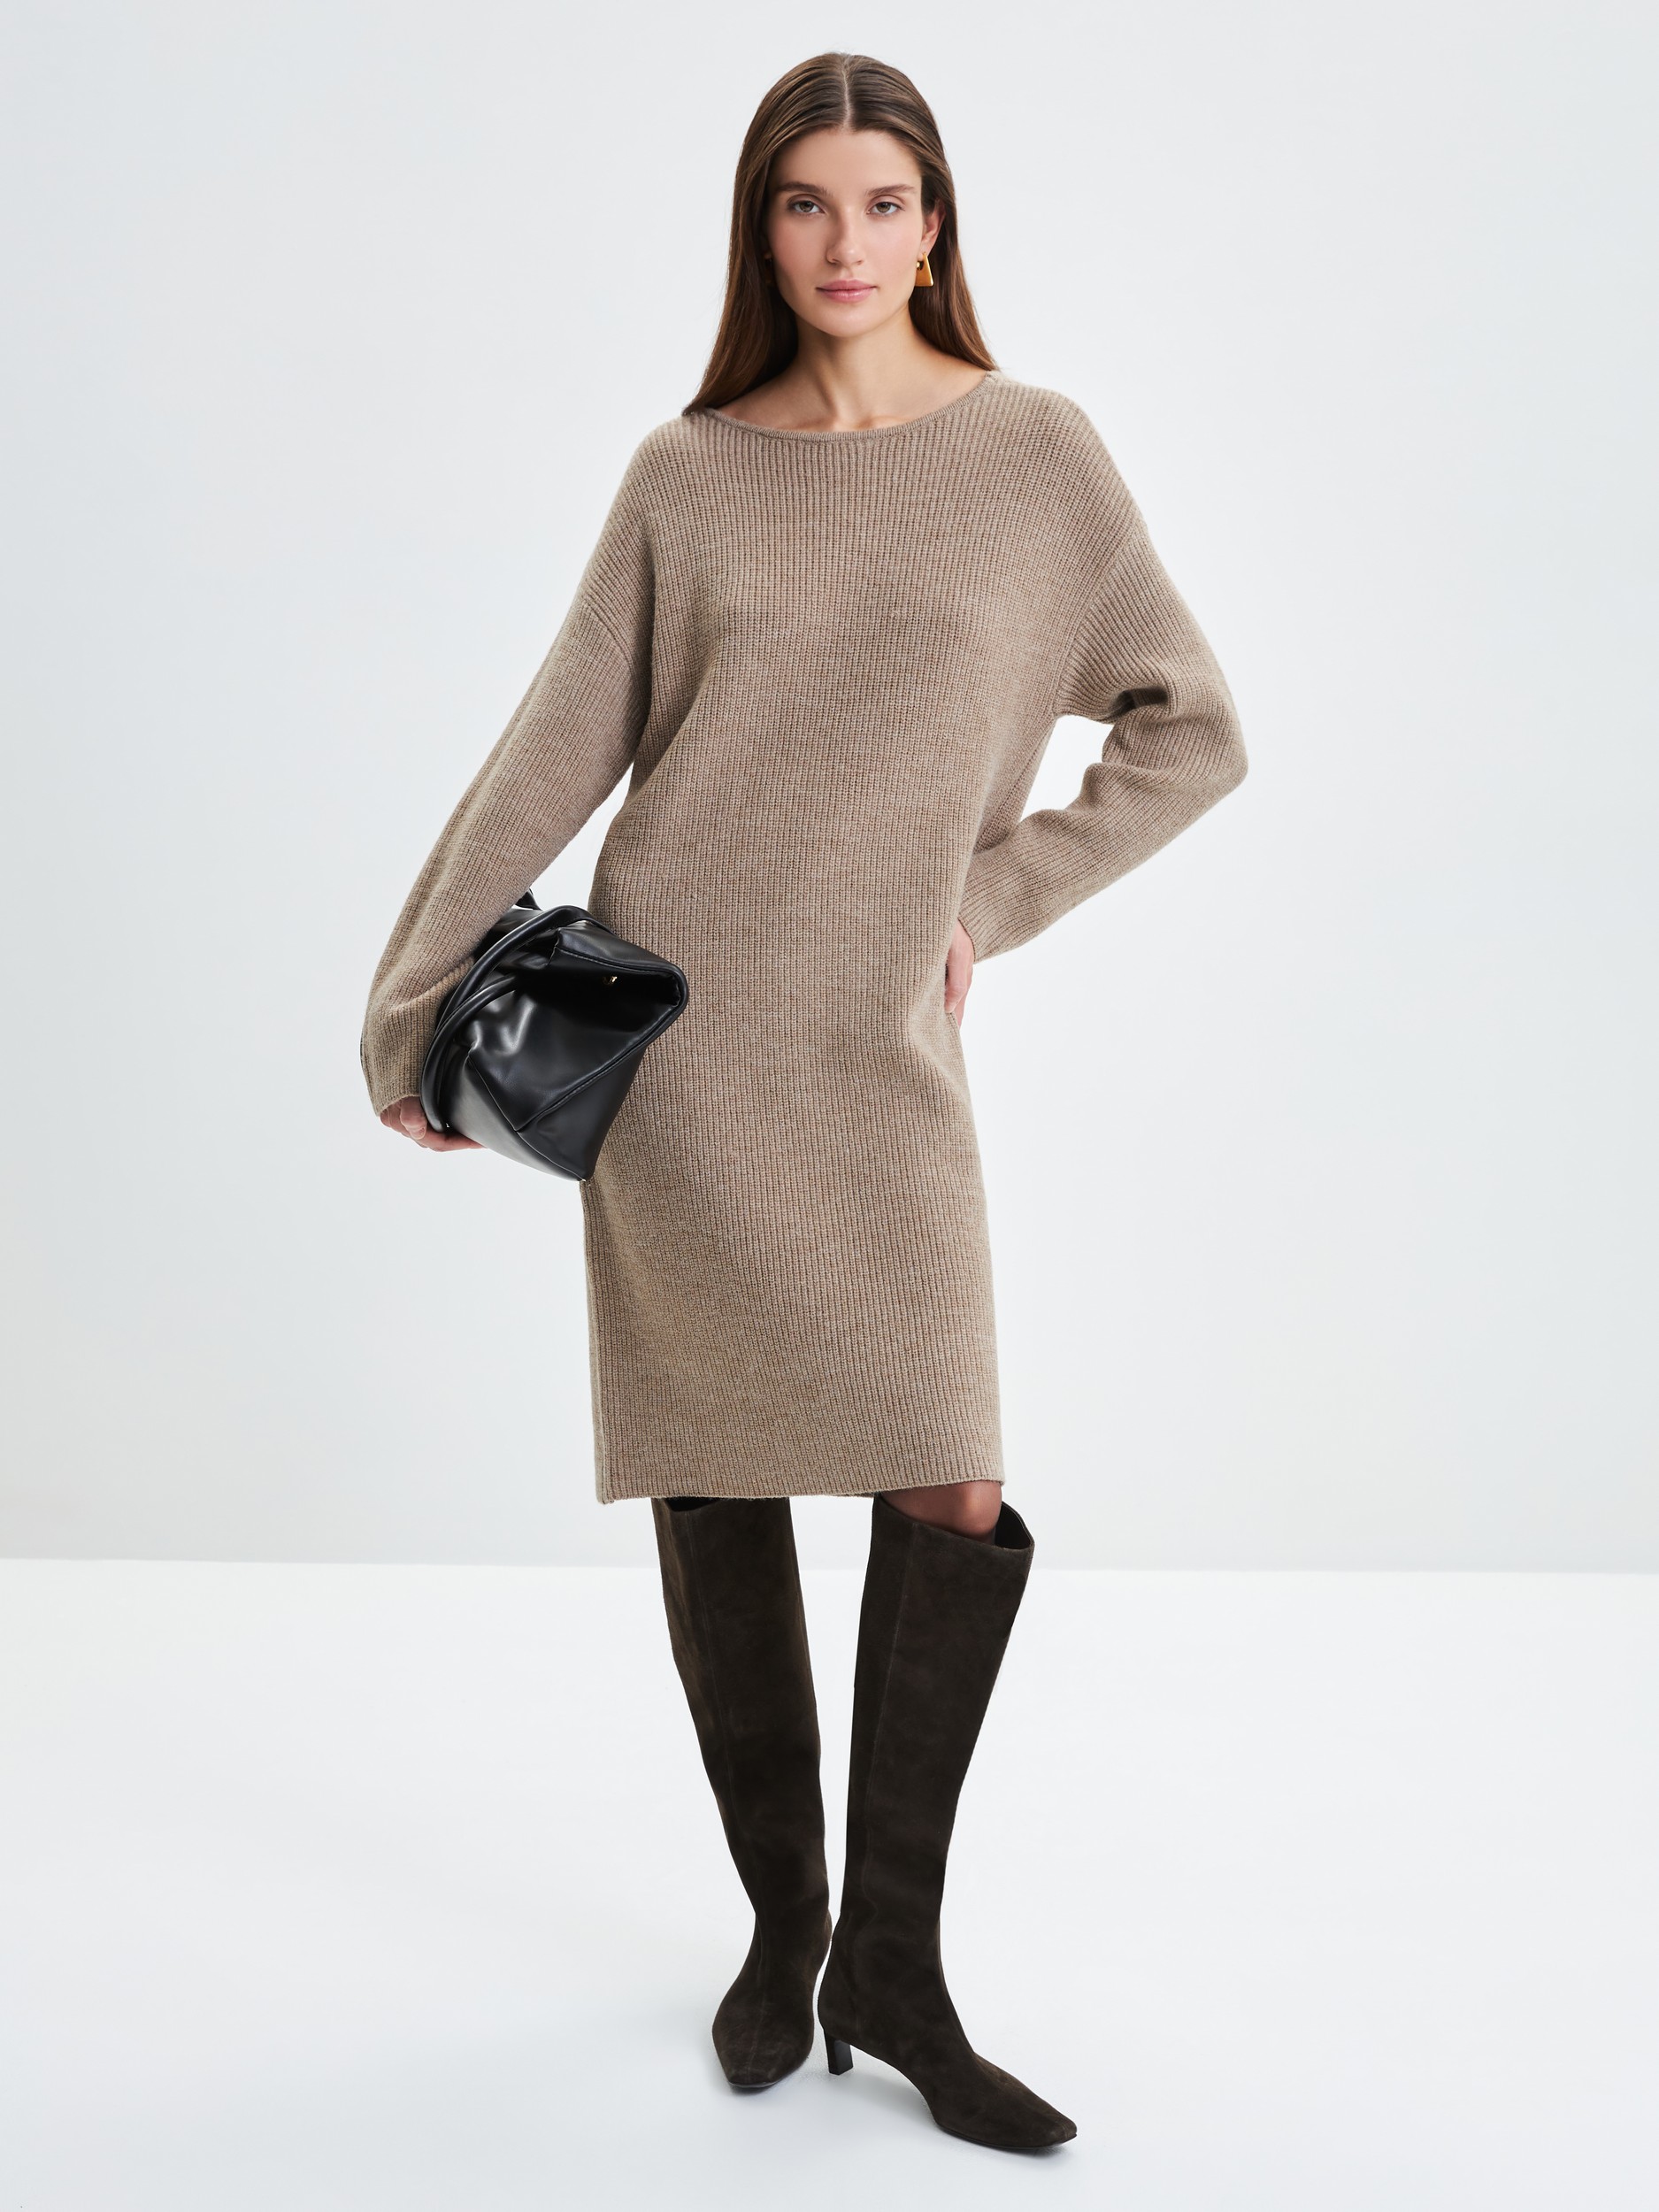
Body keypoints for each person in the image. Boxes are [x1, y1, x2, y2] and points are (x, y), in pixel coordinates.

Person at [360, 51, 1246, 2154]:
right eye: (802, 203)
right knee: (719, 1467)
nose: (844, 243)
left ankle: (893, 1966)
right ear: (757, 231)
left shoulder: (1034, 456)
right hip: (683, 1045)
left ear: (935, 226)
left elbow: (1189, 726)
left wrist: (990, 899)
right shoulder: (686, 474)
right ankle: (783, 1928)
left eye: (882, 201)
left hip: (878, 1053)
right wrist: (409, 1004)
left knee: (949, 1478)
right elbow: (550, 750)